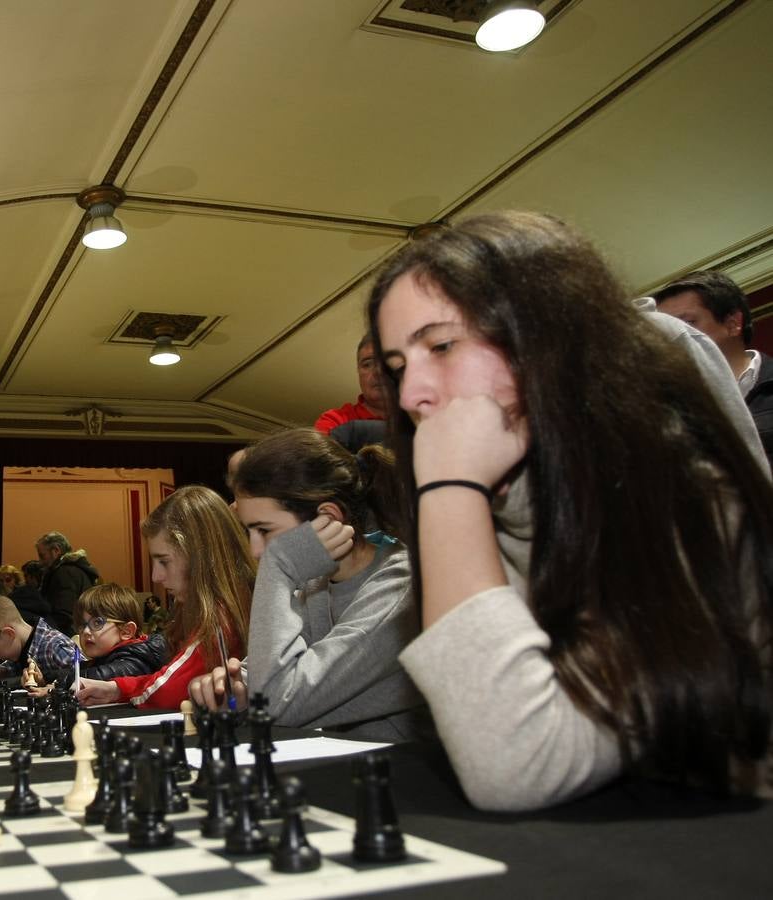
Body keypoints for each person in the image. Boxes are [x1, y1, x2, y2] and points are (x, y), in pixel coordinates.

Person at [366, 210, 773, 812]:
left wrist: (450, 487)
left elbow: (515, 763)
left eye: (442, 346)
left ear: (549, 343)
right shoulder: (501, 511)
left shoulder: (685, 499)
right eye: (398, 367)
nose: (409, 395)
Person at [189, 428, 426, 741]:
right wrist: (235, 688)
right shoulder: (315, 587)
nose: (255, 551)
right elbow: (269, 683)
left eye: (264, 530)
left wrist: (279, 565)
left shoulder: (399, 589)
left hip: (408, 783)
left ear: (326, 517)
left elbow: (274, 706)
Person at [76, 486, 254, 709]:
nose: (155, 576)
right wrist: (117, 689)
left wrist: (121, 689)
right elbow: (168, 678)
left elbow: (168, 690)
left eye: (164, 561)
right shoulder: (203, 606)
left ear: (199, 556)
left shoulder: (220, 611)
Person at [656, 270, 773, 464]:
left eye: (687, 323)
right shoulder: (672, 412)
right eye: (666, 329)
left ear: (733, 323)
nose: (674, 336)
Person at [47, 584, 168, 692]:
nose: (86, 631)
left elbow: (97, 675)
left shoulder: (136, 659)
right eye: (83, 624)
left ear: (126, 631)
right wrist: (45, 675)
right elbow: (80, 669)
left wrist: (56, 681)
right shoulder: (105, 657)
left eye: (97, 623)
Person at [0, 593, 79, 682]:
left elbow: (84, 679)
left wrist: (49, 685)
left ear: (9, 634)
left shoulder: (55, 647)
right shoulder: (20, 649)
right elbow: (12, 667)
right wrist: (1, 672)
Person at [314, 336, 387, 434]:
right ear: (358, 371)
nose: (378, 371)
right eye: (367, 364)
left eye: (387, 362)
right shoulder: (334, 421)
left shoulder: (413, 416)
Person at [36, 531, 101, 635]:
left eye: (42, 556)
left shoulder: (64, 573)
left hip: (69, 636)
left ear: (56, 550)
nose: (40, 562)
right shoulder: (76, 570)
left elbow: (63, 615)